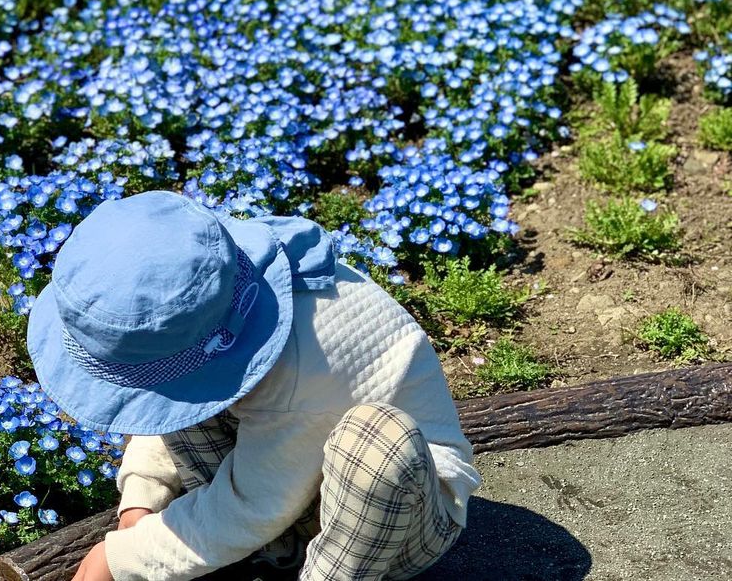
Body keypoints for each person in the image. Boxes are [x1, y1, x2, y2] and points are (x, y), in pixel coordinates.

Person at [26, 190, 481, 581]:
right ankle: (276, 555)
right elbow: (161, 403)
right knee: (176, 387)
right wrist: (138, 507)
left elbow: (253, 506)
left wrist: (121, 558)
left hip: (394, 523)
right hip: (286, 475)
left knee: (377, 443)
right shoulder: (212, 293)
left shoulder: (310, 360)